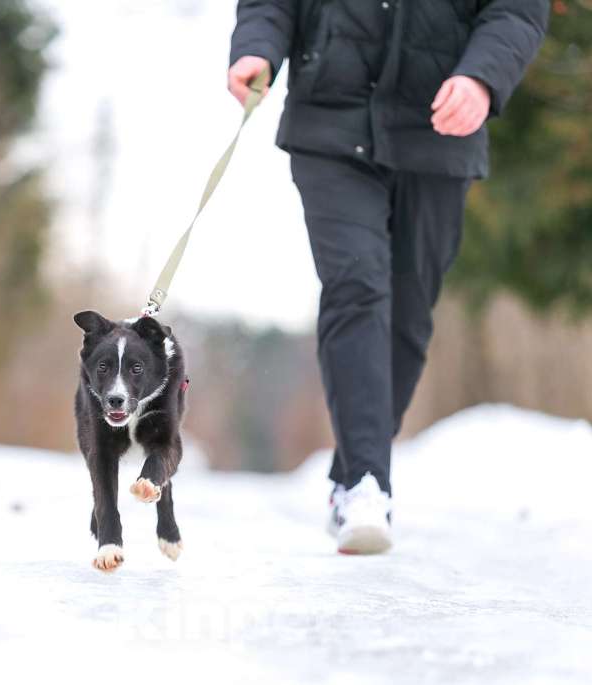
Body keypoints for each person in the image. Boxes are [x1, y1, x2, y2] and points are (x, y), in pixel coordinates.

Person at [229, 0, 549, 554]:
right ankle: (365, 485)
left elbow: (517, 9)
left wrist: (481, 77)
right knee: (356, 285)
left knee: (406, 316)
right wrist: (257, 46)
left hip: (438, 131)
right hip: (330, 123)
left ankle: (350, 468)